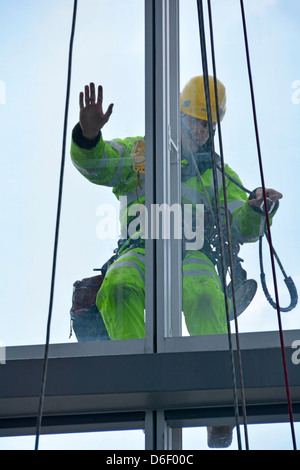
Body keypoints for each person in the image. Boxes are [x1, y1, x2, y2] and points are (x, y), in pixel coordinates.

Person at [70, 76, 282, 447]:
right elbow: (99, 165)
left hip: (194, 253)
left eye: (208, 125)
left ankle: (217, 405)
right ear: (179, 116)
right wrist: (88, 137)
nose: (201, 131)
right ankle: (137, 382)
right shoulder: (141, 152)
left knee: (205, 296)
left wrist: (257, 209)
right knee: (119, 287)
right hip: (140, 248)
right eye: (195, 121)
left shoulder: (217, 174)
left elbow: (241, 222)